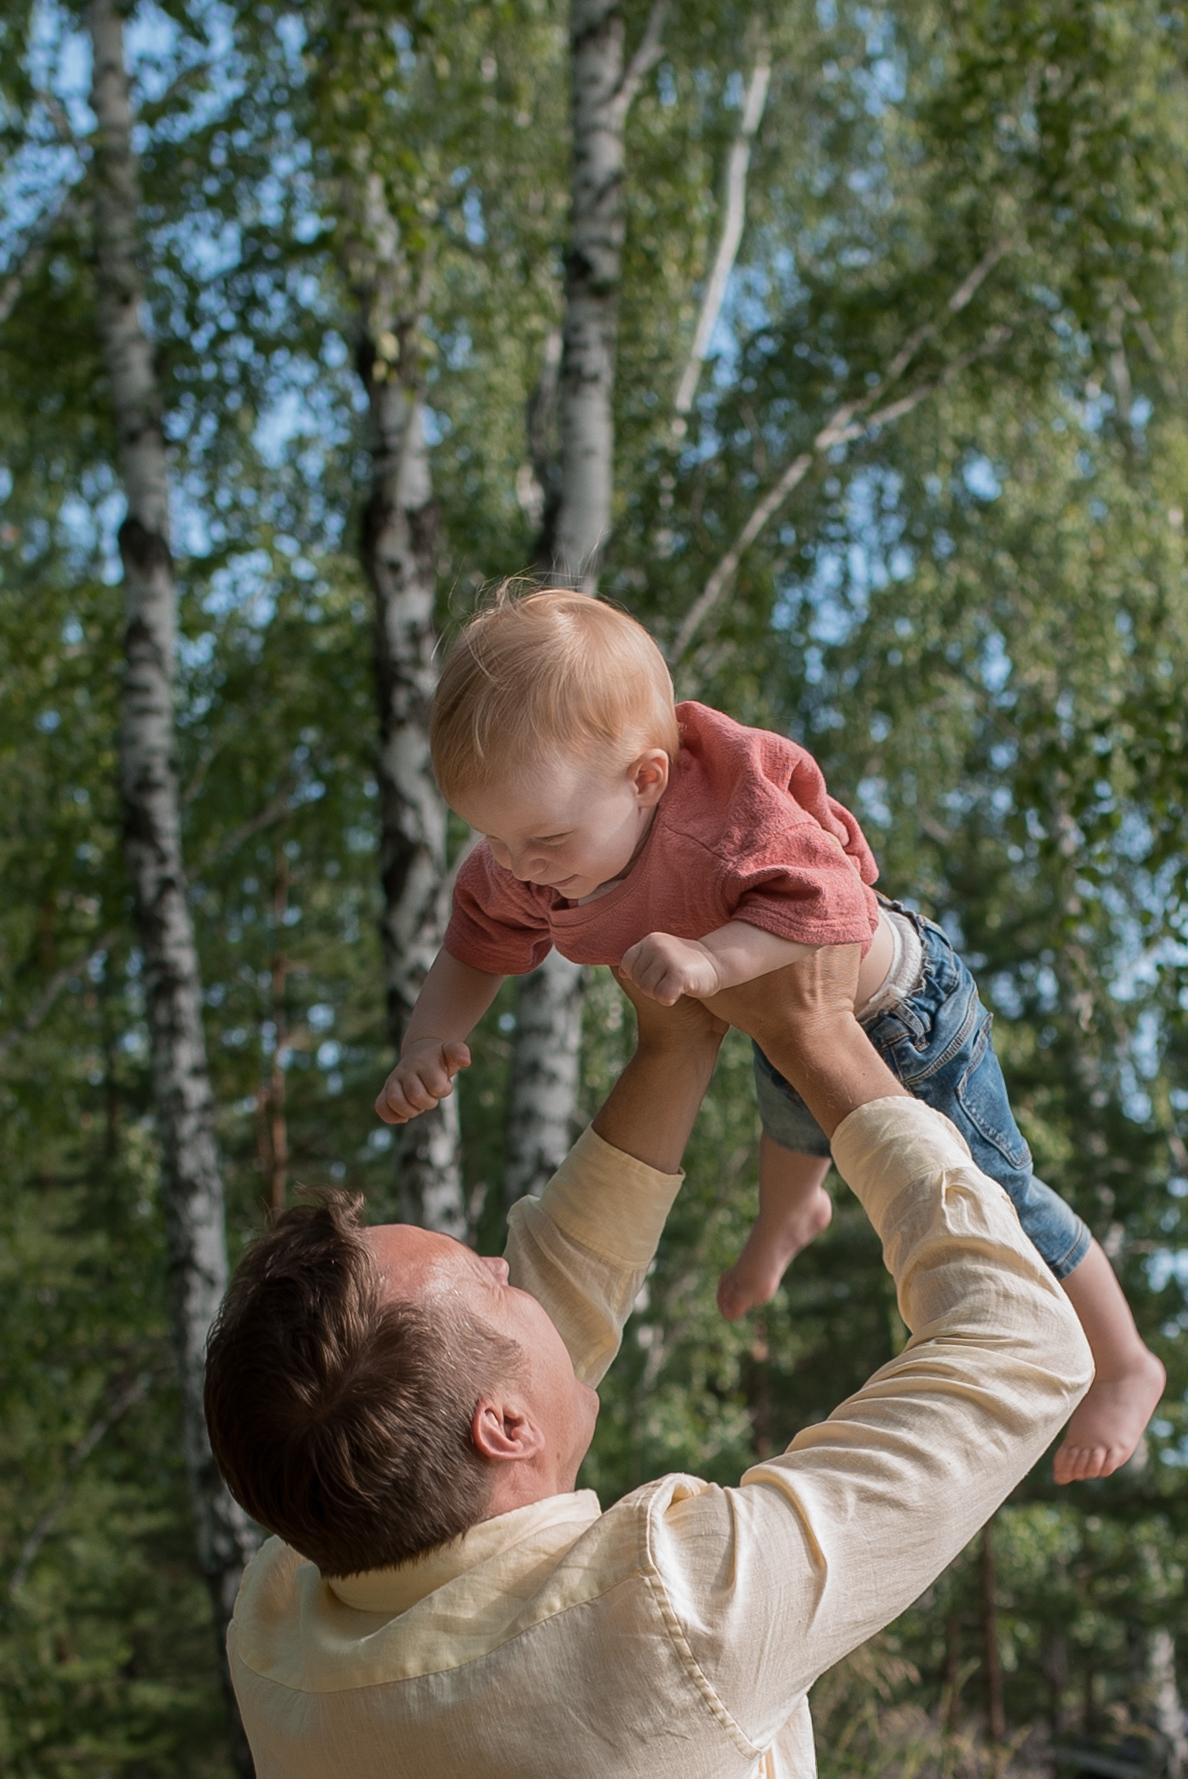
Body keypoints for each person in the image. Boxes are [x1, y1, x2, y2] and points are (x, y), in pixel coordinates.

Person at [207, 948, 1093, 1778]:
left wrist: (672, 1047)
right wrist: (817, 1035)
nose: (513, 1266)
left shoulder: (281, 1628)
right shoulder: (678, 1615)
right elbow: (1022, 1342)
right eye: (492, 1278)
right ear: (505, 1427)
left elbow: (488, 1365)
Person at [373, 587, 1162, 1483]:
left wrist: (714, 962)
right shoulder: (531, 851)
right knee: (793, 1118)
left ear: (646, 779)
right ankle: (791, 1218)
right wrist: (428, 1039)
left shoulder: (728, 817)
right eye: (492, 837)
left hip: (903, 1006)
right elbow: (472, 939)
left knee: (1000, 1191)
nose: (519, 866)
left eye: (542, 840)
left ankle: (1125, 1355)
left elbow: (827, 904)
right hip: (778, 1017)